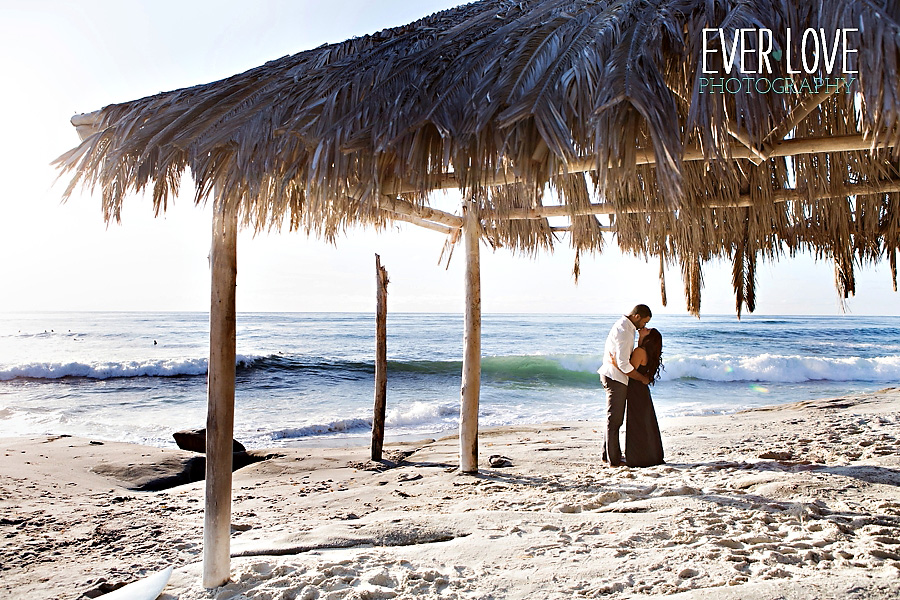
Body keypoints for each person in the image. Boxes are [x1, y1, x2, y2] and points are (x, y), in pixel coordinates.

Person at [597, 305, 652, 466]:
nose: (644, 326)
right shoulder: (625, 331)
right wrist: (641, 378)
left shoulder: (626, 327)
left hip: (615, 376)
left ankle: (607, 455)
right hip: (615, 378)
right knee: (614, 420)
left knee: (613, 419)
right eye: (644, 321)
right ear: (636, 316)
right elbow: (623, 365)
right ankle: (614, 460)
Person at [622, 327, 665, 467]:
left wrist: (614, 361)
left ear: (649, 338)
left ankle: (638, 457)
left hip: (635, 389)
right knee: (644, 422)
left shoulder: (639, 351)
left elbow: (628, 370)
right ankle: (649, 455)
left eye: (647, 329)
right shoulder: (646, 352)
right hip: (642, 390)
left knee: (637, 423)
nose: (644, 328)